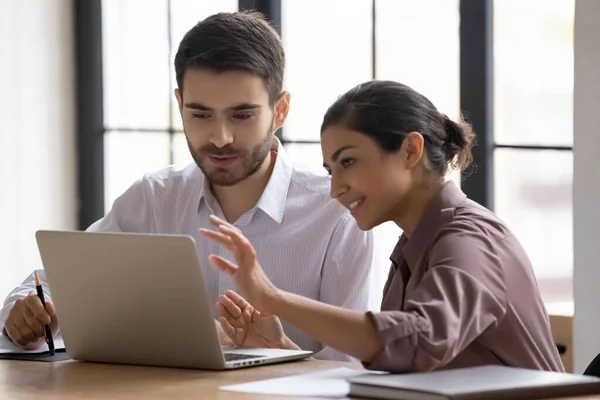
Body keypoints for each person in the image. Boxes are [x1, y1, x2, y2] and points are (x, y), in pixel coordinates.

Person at [0, 11, 373, 362]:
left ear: (280, 110)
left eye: (241, 115)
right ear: (180, 105)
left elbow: (348, 372)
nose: (221, 138)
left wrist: (278, 351)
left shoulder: (337, 215)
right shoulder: (153, 199)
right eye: (200, 114)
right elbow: (55, 283)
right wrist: (28, 314)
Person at [200, 80, 565, 373]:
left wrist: (272, 299)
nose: (335, 188)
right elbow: (398, 367)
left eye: (349, 162)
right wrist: (279, 350)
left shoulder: (469, 240)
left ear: (410, 150)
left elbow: (416, 343)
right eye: (331, 170)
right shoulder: (413, 246)